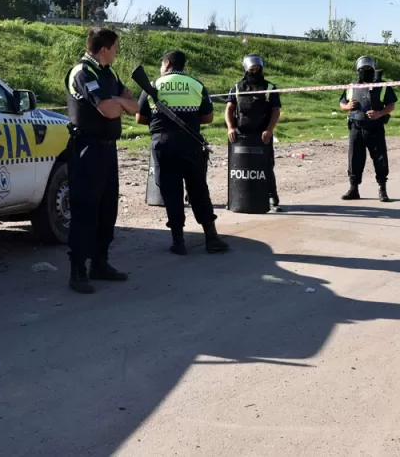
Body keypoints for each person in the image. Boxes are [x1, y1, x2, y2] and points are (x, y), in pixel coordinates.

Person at [64, 27, 141, 294]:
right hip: (86, 149)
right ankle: (78, 270)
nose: (117, 52)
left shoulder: (109, 73)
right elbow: (109, 111)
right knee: (85, 210)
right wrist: (118, 103)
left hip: (107, 150)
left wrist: (117, 101)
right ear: (104, 49)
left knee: (107, 210)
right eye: (115, 48)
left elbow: (135, 106)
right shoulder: (83, 72)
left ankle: (100, 263)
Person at [138, 51, 228, 254]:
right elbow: (208, 117)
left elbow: (139, 118)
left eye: (162, 64)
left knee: (171, 192)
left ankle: (178, 241)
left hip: (163, 144)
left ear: (167, 64)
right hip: (191, 144)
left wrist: (160, 118)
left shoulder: (152, 85)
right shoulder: (196, 84)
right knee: (198, 189)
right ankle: (211, 238)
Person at [225, 55, 283, 211]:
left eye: (257, 69)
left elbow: (275, 111)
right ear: (246, 69)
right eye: (252, 69)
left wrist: (269, 130)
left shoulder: (270, 87)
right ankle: (234, 197)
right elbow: (229, 109)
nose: (255, 71)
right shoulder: (237, 87)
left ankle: (271, 197)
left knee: (266, 166)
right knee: (237, 167)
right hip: (240, 134)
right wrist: (230, 127)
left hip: (262, 135)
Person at [340, 56, 398, 202]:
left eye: (368, 69)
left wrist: (379, 113)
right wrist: (347, 107)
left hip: (375, 127)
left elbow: (391, 105)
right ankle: (353, 189)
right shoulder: (352, 86)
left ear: (373, 70)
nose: (365, 72)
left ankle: (382, 189)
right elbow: (342, 104)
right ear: (358, 71)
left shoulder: (382, 86)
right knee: (354, 158)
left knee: (380, 158)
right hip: (356, 126)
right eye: (362, 69)